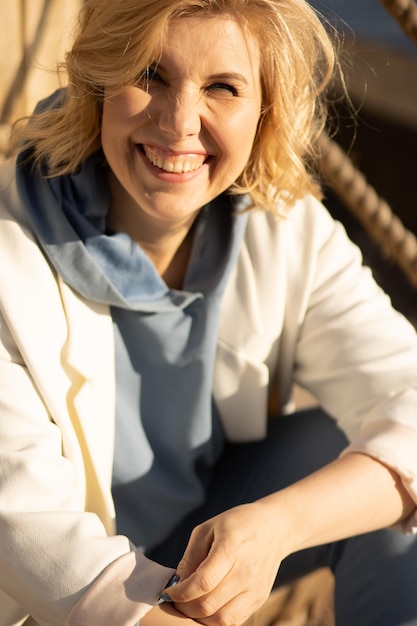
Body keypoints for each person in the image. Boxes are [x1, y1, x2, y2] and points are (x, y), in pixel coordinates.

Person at [1, 0, 417, 624]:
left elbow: (407, 396)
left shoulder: (285, 226)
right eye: (149, 74)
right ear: (97, 82)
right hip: (50, 600)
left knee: (371, 476)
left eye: (223, 87)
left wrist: (278, 526)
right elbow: (30, 533)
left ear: (264, 111)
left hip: (188, 546)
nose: (179, 122)